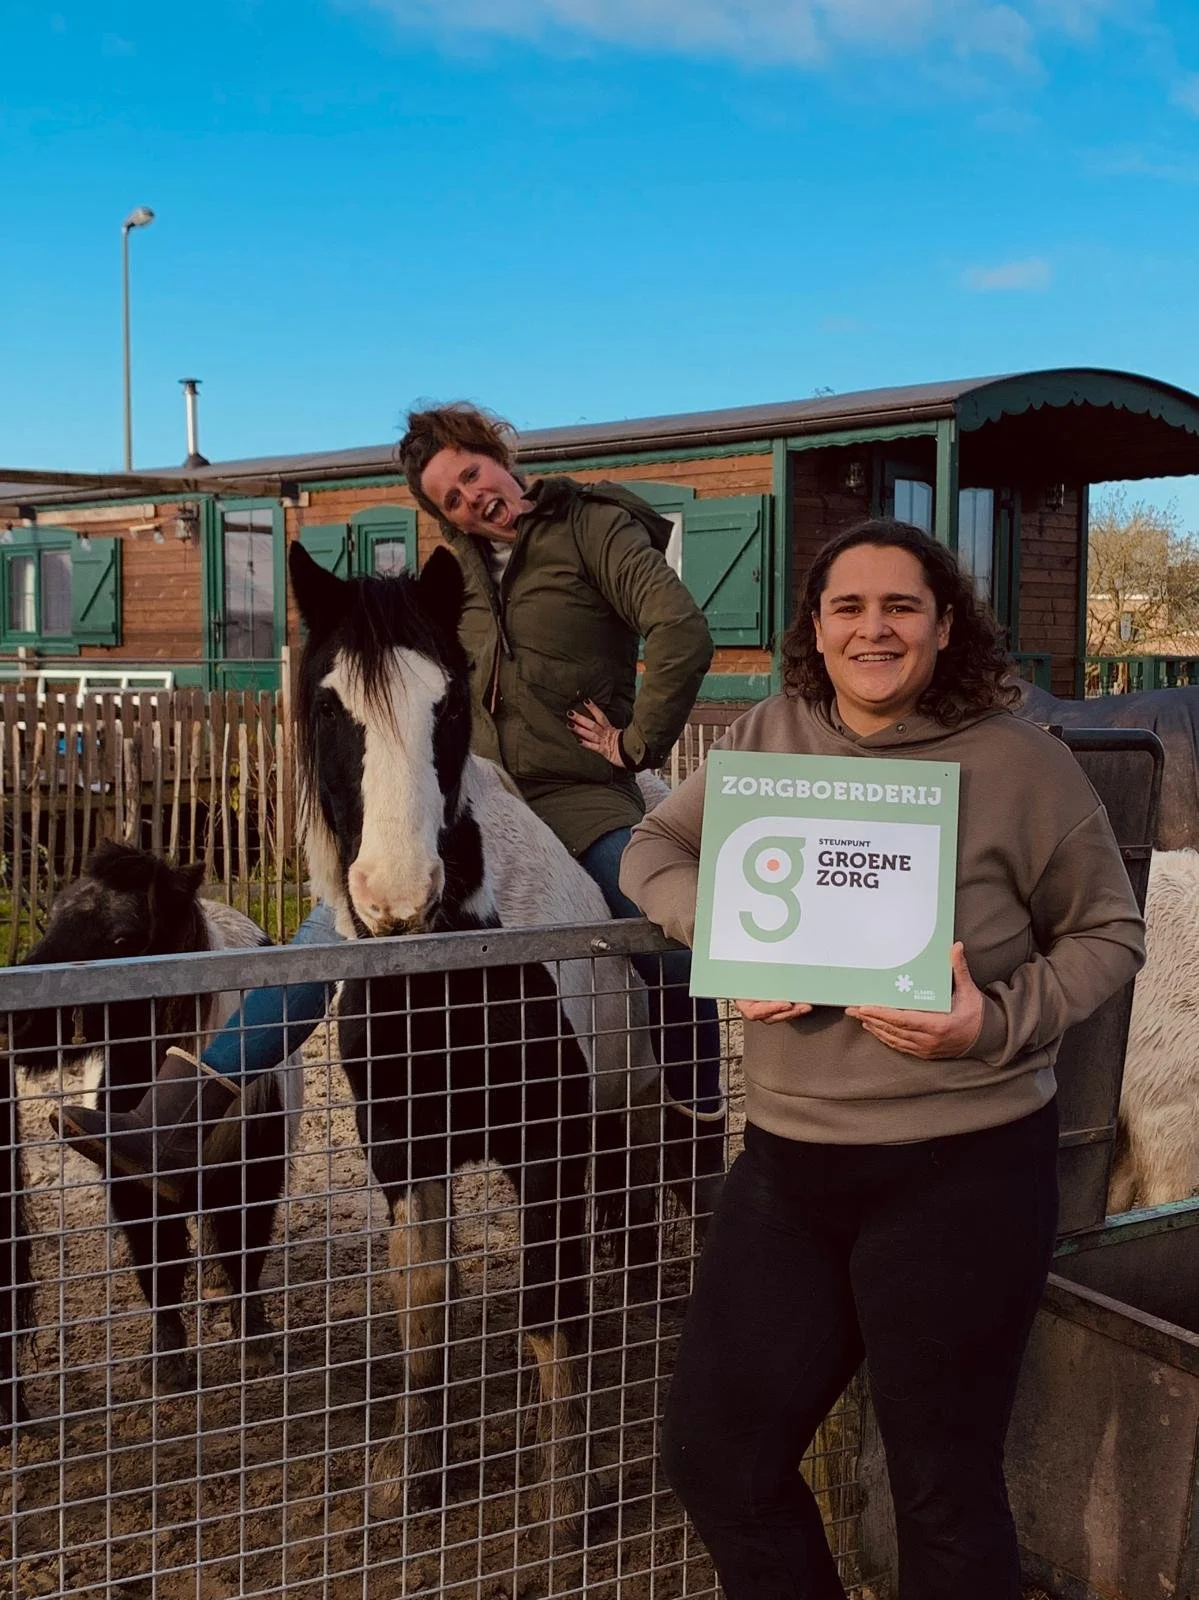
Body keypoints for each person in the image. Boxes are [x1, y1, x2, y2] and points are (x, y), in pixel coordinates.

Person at [618, 518, 1147, 1600]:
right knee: (720, 1460)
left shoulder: (1022, 763)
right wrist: (718, 930)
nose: (873, 628)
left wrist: (992, 1022)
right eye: (846, 607)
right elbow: (652, 845)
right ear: (815, 629)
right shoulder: (768, 736)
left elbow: (1109, 932)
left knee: (940, 1494)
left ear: (944, 625)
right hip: (787, 1166)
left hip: (963, 1167)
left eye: (900, 606)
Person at [57, 402, 723, 1205]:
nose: (472, 499)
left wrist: (635, 742)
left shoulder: (593, 528)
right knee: (323, 940)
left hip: (579, 797)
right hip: (472, 789)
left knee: (666, 936)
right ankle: (175, 1119)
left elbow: (680, 630)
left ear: (499, 454)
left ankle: (693, 1124)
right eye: (450, 498)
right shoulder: (455, 571)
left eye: (472, 474)